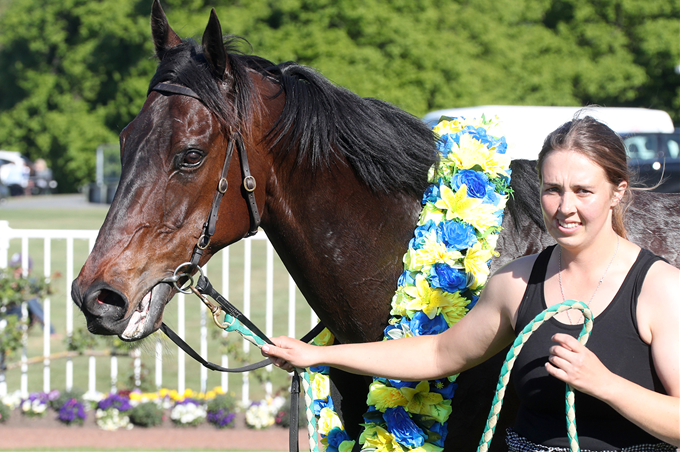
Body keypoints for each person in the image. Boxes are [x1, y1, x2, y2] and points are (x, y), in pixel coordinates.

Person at [262, 117, 680, 450]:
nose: (565, 207)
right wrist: (314, 356)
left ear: (617, 192)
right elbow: (439, 353)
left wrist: (606, 385)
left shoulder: (659, 288)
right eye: (552, 190)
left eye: (583, 191)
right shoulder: (517, 281)